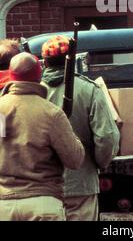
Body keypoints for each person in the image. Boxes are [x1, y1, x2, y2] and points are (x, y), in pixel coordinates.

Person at [41, 35, 120, 221]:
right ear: (72, 57)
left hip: (42, 187)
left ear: (45, 61)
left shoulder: (33, 91)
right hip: (81, 184)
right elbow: (106, 137)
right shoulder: (89, 89)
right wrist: (97, 163)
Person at [0, 52, 84, 221]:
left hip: (3, 203)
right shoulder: (51, 113)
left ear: (11, 75)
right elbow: (75, 160)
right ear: (40, 75)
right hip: (43, 203)